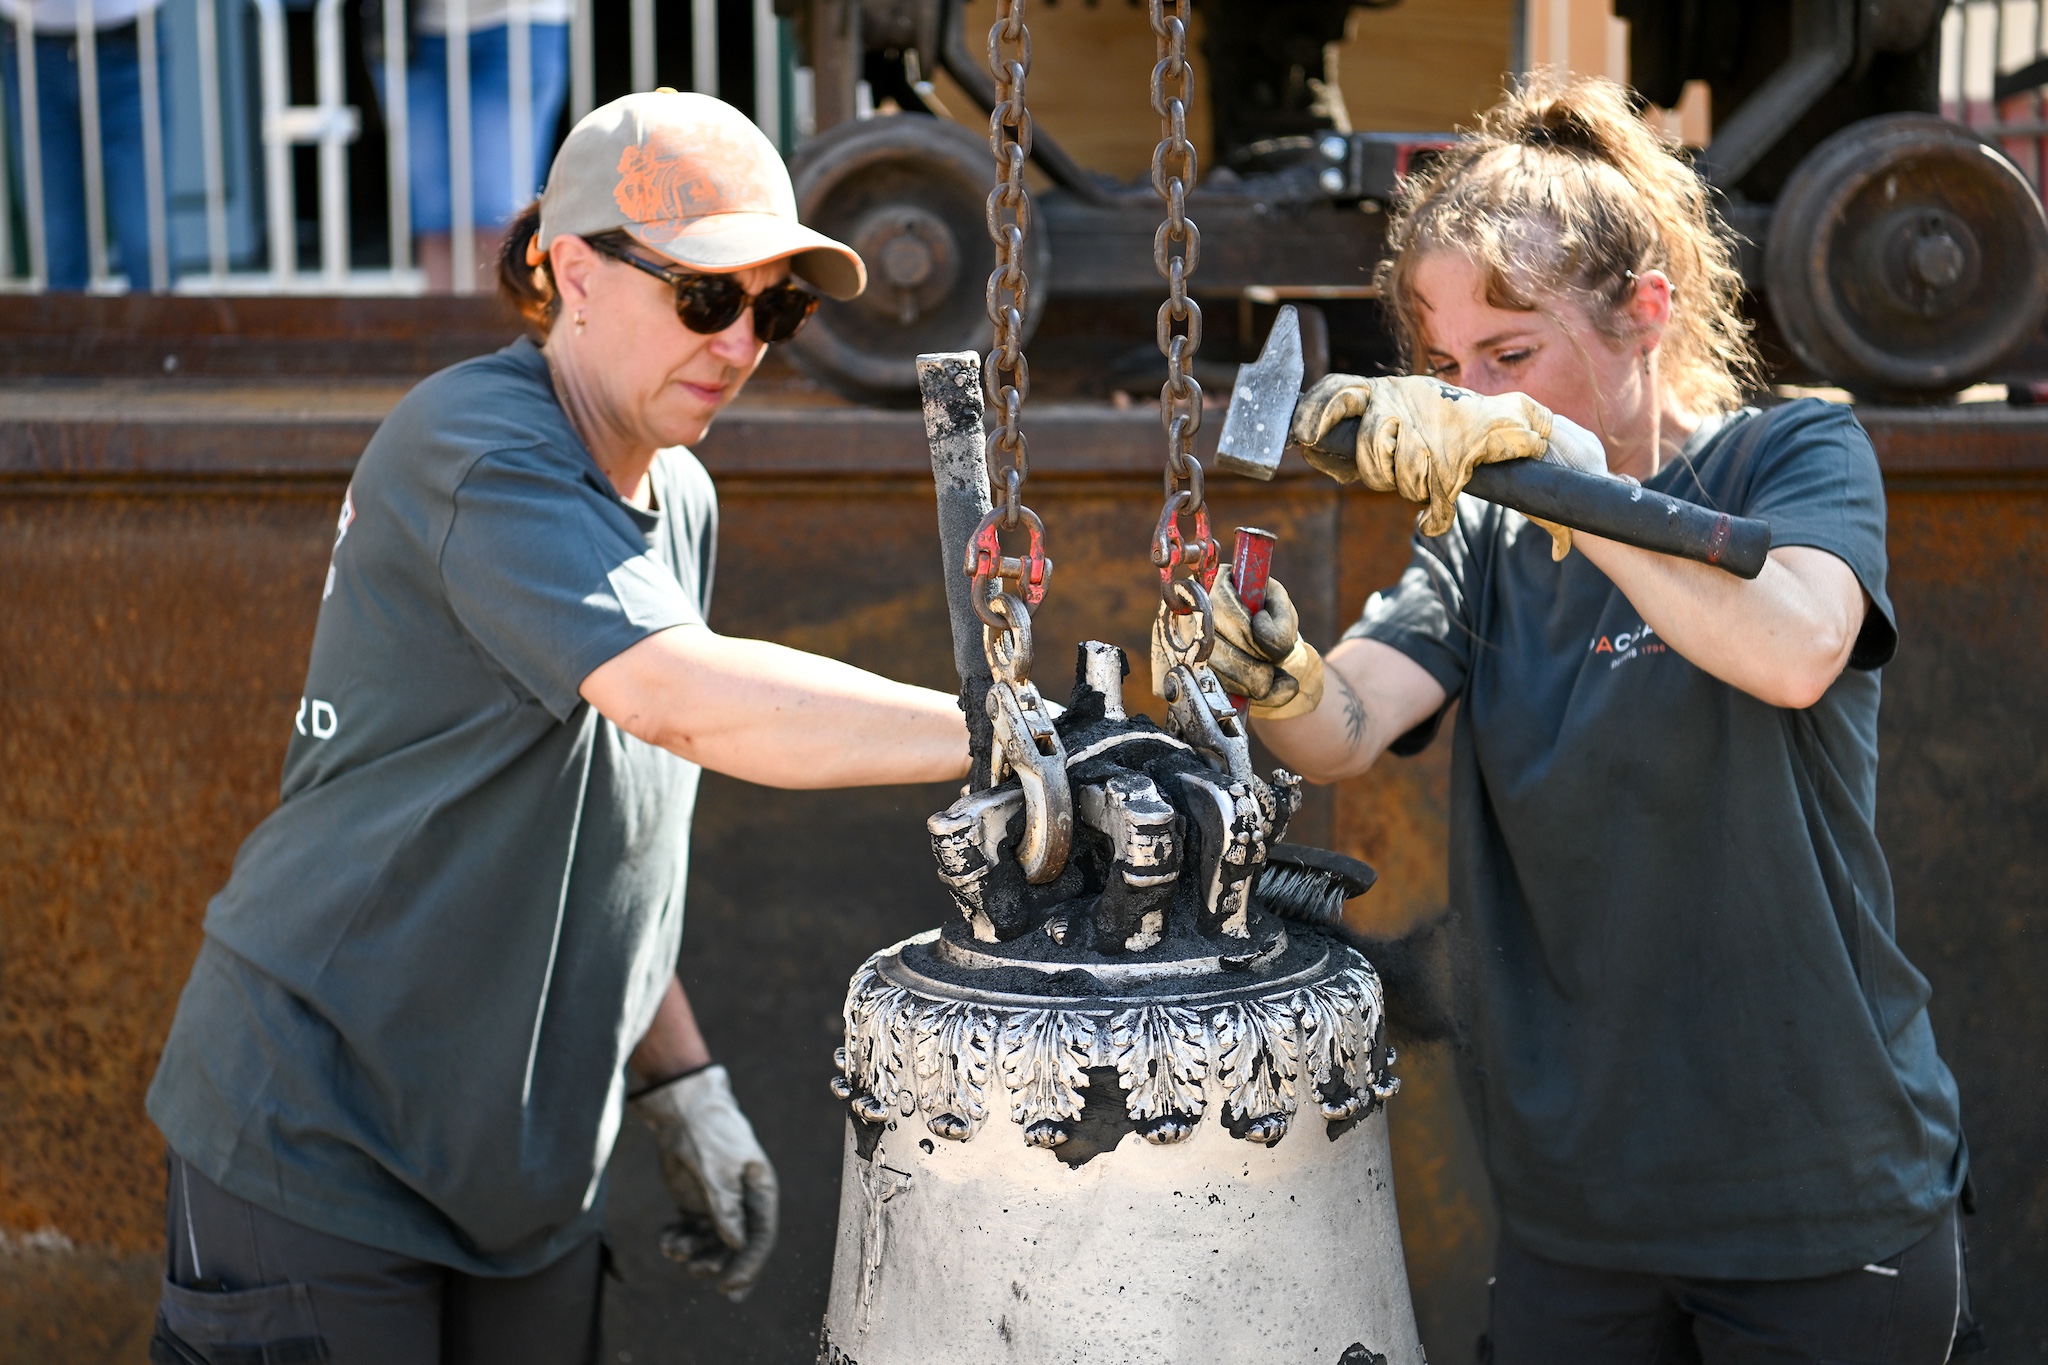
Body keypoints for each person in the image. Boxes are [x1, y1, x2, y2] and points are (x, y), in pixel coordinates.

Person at [145, 91, 967, 1364]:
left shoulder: (677, 491)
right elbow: (680, 702)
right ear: (571, 271)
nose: (739, 343)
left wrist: (679, 1078)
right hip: (322, 1121)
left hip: (523, 1163)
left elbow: (611, 816)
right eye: (706, 295)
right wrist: (1005, 733)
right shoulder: (476, 446)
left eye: (774, 311)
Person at [1206, 77, 1967, 1365]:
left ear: (1645, 315)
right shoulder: (1487, 534)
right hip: (1579, 1208)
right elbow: (1346, 724)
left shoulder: (1791, 457)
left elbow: (1792, 649)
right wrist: (1272, 671)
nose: (1467, 401)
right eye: (1445, 371)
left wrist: (1566, 482)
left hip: (1819, 1196)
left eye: (1507, 359)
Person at [375, 0, 572, 291]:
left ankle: (494, 317)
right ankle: (441, 316)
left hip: (517, 19)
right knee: (434, 213)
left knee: (497, 210)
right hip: (412, 25)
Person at [0, 0, 169, 290]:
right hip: (32, 45)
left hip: (129, 39)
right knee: (58, 245)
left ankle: (157, 320)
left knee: (145, 240)